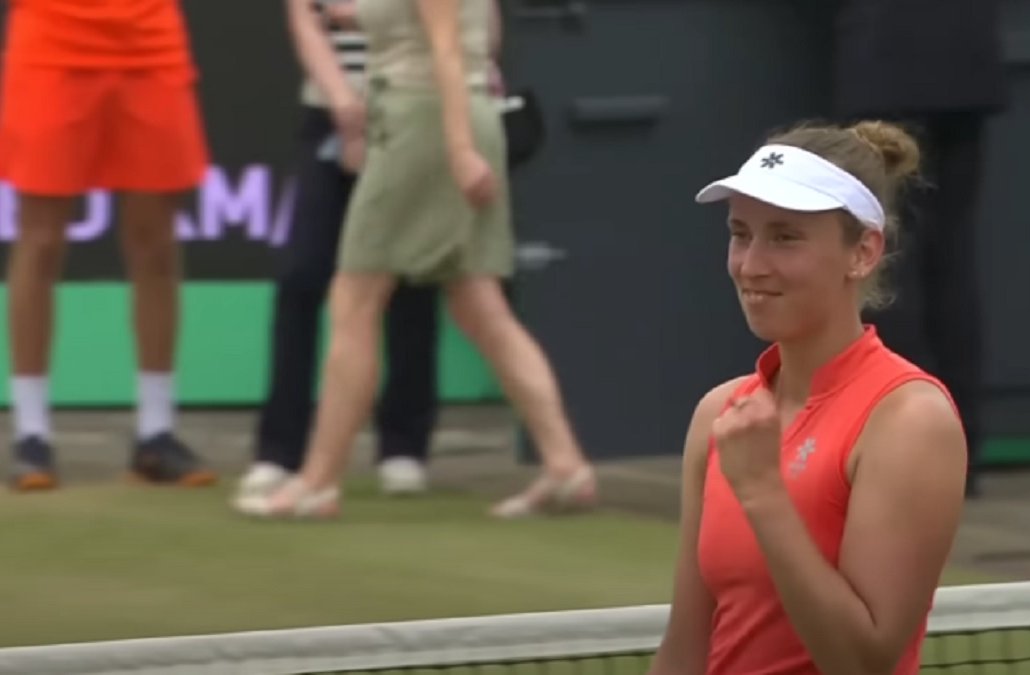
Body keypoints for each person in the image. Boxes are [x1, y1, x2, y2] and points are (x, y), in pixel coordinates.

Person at [234, 0, 596, 519]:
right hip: (451, 119)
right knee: (480, 304)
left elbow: (446, 49)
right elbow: (475, 35)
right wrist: (361, 17)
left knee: (355, 300)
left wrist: (459, 150)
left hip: (422, 129)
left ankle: (317, 482)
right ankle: (565, 465)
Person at [648, 121, 967, 674]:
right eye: (741, 234)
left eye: (785, 237)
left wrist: (763, 493)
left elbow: (863, 664)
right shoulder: (719, 414)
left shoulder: (909, 419)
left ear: (862, 252)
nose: (751, 265)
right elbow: (685, 649)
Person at [235, 0, 443, 502]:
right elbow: (305, 17)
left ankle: (403, 448)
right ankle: (280, 451)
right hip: (328, 114)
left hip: (413, 107)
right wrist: (345, 106)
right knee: (302, 277)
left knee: (411, 280)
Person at [1, 0, 215, 490]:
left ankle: (156, 433)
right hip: (52, 40)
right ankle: (31, 436)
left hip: (150, 42)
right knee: (41, 240)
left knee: (155, 244)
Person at [831, 0, 1006, 498]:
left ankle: (912, 449)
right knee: (951, 262)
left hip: (882, 60)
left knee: (886, 261)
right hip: (966, 61)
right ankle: (958, 451)